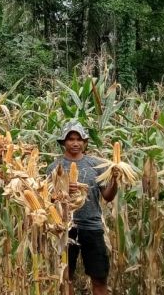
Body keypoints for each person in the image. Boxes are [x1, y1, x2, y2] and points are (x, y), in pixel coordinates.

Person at [45, 121, 119, 295]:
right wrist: (61, 190)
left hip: (92, 227)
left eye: (79, 139)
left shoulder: (96, 165)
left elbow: (108, 196)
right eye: (71, 139)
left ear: (85, 142)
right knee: (66, 277)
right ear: (63, 142)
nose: (75, 143)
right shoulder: (54, 168)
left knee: (100, 277)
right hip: (64, 229)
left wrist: (115, 180)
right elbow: (47, 201)